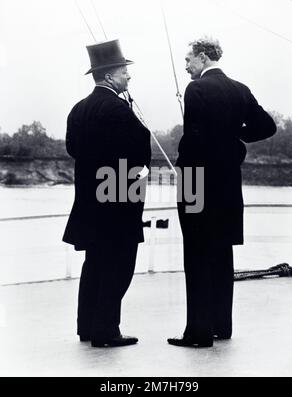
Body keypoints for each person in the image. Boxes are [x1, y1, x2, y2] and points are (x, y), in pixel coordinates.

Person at [168, 37, 277, 347]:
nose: (186, 65)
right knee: (221, 253)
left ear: (203, 58)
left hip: (199, 183)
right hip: (229, 185)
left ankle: (199, 332)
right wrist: (235, 137)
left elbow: (193, 139)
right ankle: (221, 325)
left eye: (188, 59)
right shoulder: (240, 89)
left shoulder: (196, 89)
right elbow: (267, 126)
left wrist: (182, 170)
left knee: (197, 255)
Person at [63, 40, 151, 348]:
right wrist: (142, 174)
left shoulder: (78, 109)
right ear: (110, 76)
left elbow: (73, 149)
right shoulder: (117, 109)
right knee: (118, 265)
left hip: (89, 205)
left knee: (94, 264)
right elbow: (138, 150)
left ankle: (86, 326)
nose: (129, 77)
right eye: (124, 71)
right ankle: (106, 330)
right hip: (117, 204)